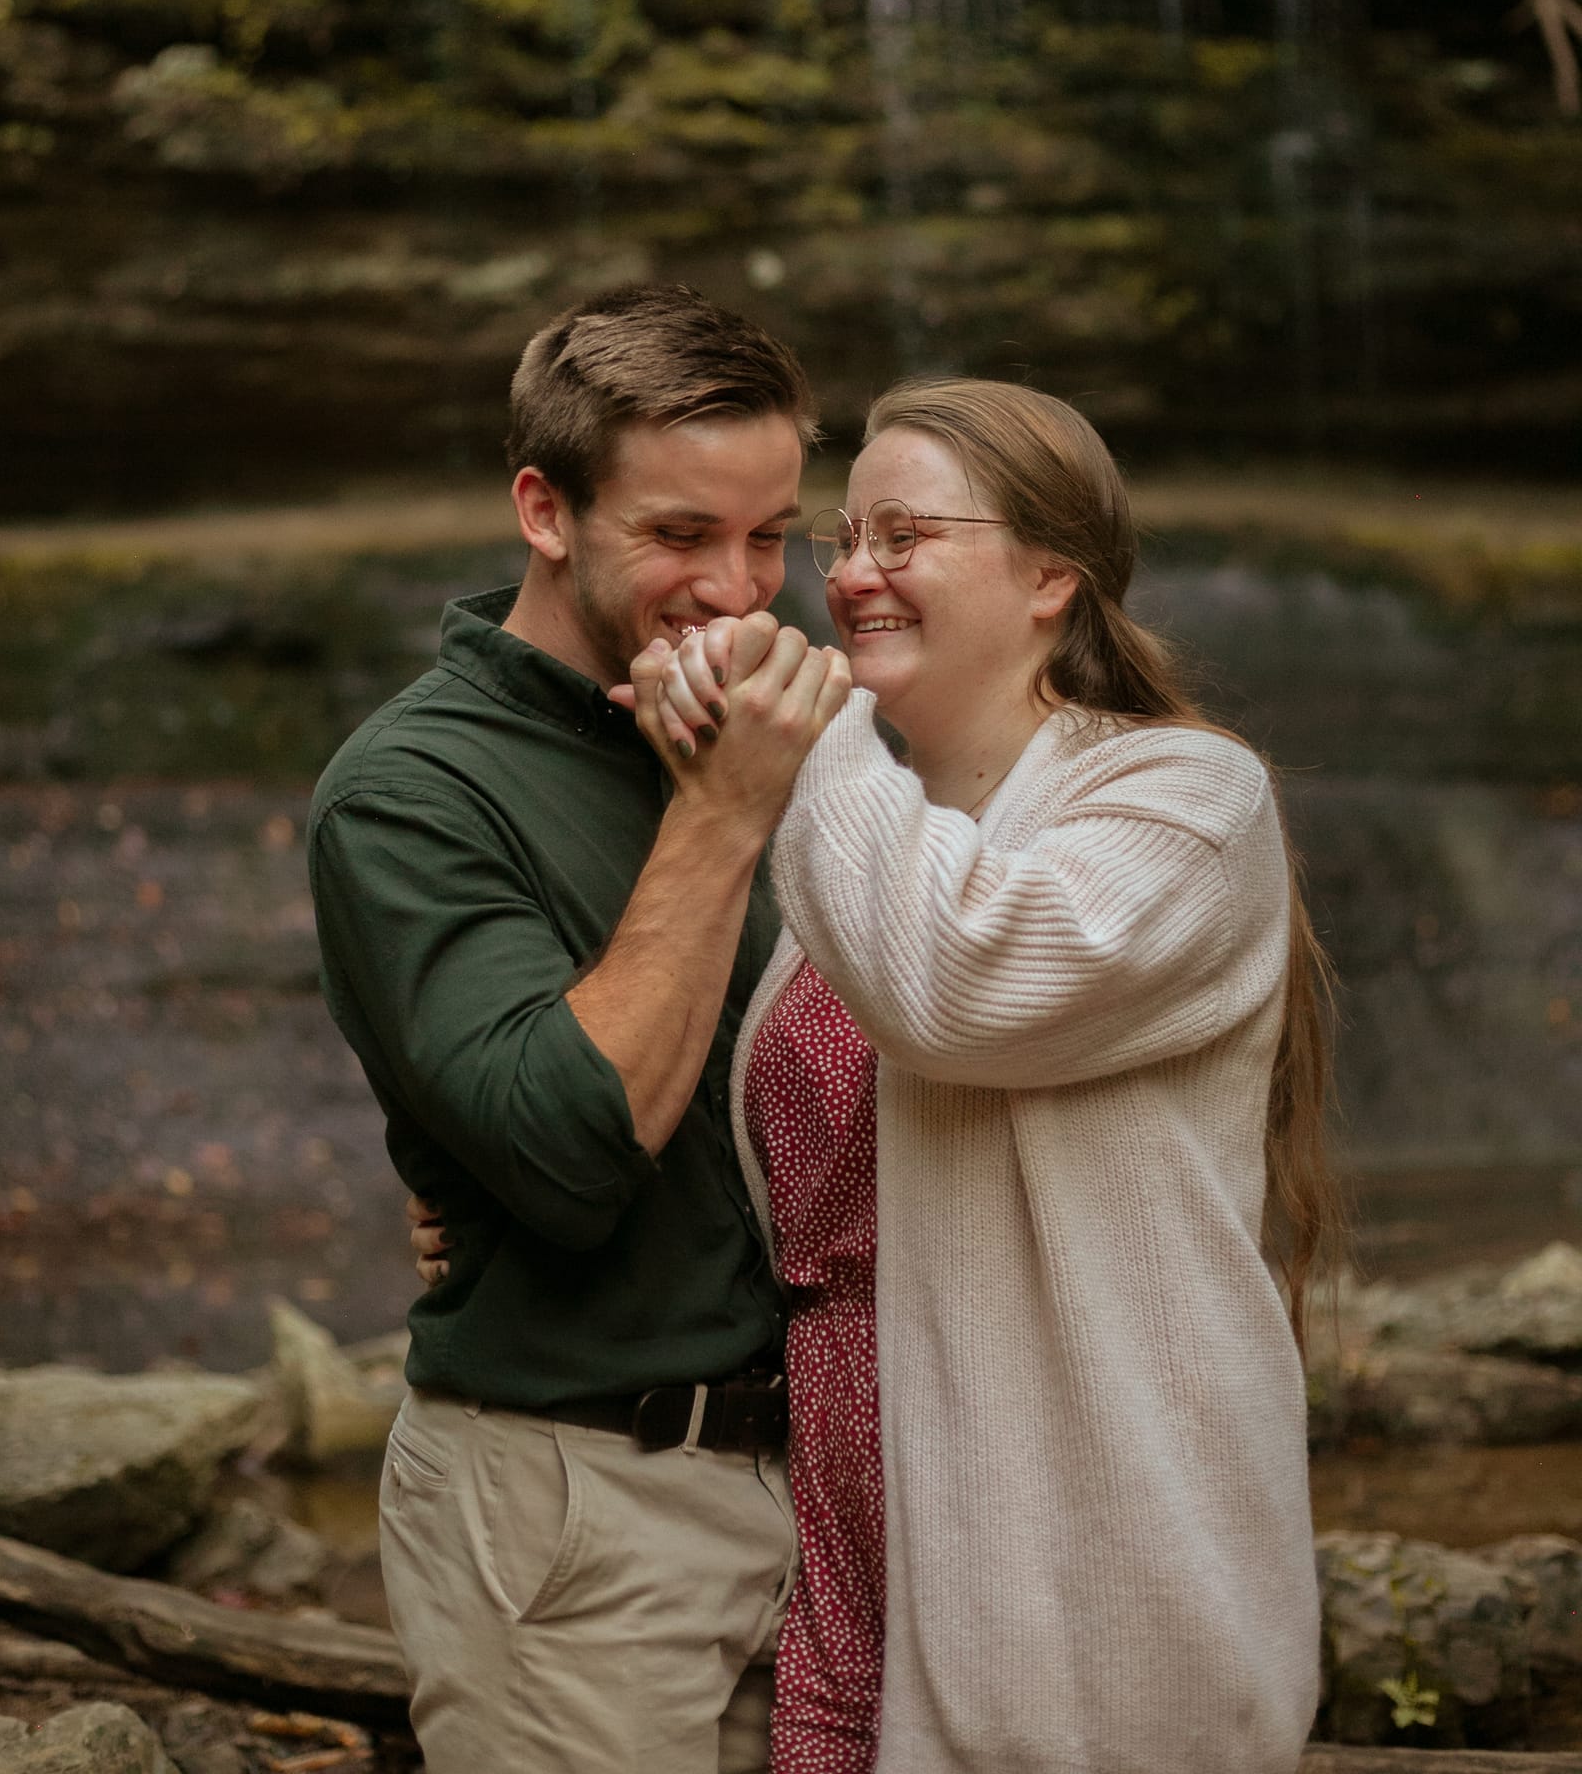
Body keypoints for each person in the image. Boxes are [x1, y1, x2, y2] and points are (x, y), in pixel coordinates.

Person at [624, 376, 1334, 1774]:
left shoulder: (1187, 800)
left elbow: (956, 986)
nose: (852, 576)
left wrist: (808, 731)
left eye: (905, 535)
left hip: (1078, 1571)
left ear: (1052, 576)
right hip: (844, 1561)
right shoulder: (866, 834)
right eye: (846, 537)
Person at [308, 281, 852, 1774]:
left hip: (827, 1497)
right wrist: (724, 815)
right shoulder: (408, 791)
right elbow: (566, 1150)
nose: (740, 590)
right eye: (680, 534)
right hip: (576, 1502)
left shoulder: (792, 726)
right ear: (545, 511)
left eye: (771, 535)